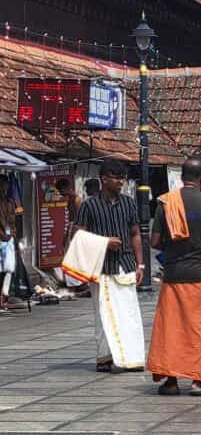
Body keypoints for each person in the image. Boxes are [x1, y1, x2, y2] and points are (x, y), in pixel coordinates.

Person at [147, 158, 201, 395]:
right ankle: (198, 380)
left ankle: (171, 380)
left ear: (181, 177)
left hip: (174, 274)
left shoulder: (166, 202)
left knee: (172, 327)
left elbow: (155, 242)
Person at [71, 158, 146, 372]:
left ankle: (132, 358)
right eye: (116, 177)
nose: (121, 181)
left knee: (129, 312)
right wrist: (104, 242)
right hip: (101, 266)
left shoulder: (129, 203)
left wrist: (140, 265)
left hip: (125, 264)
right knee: (102, 311)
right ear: (104, 179)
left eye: (122, 178)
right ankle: (105, 356)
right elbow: (78, 234)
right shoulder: (89, 205)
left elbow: (135, 233)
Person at [0, 181, 16, 312]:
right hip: (1, 238)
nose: (3, 187)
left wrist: (12, 235)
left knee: (8, 269)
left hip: (8, 238)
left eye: (4, 185)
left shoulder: (10, 201)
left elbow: (13, 221)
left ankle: (3, 298)